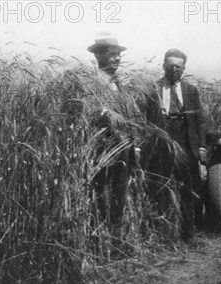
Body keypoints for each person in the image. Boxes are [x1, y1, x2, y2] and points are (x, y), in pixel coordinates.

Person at [143, 48, 207, 241]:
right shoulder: (153, 89)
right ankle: (163, 235)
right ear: (163, 66)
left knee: (187, 189)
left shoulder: (191, 91)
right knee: (160, 187)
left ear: (184, 69)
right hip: (162, 142)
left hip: (185, 142)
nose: (174, 70)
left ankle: (188, 234)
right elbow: (146, 120)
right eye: (170, 66)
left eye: (178, 67)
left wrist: (201, 147)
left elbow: (199, 122)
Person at [86, 32, 132, 249]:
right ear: (98, 56)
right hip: (103, 150)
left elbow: (127, 116)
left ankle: (116, 244)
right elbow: (89, 114)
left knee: (119, 197)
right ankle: (101, 245)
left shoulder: (119, 83)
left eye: (118, 55)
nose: (117, 58)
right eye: (112, 54)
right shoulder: (91, 83)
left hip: (123, 149)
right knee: (102, 197)